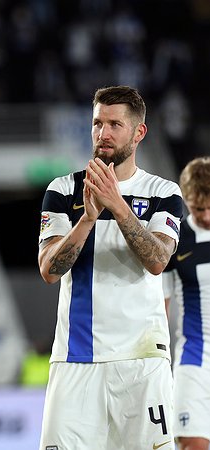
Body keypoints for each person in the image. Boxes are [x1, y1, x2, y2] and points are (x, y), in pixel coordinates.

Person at [37, 85, 184, 449]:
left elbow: (157, 261)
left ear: (139, 132)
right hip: (76, 358)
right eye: (97, 123)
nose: (103, 133)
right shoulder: (63, 190)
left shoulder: (163, 192)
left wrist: (117, 205)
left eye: (115, 124)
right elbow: (50, 270)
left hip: (142, 360)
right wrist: (87, 219)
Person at [162, 157, 210, 450]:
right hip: (195, 358)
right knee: (193, 444)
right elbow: (160, 306)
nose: (206, 216)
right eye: (198, 208)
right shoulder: (175, 239)